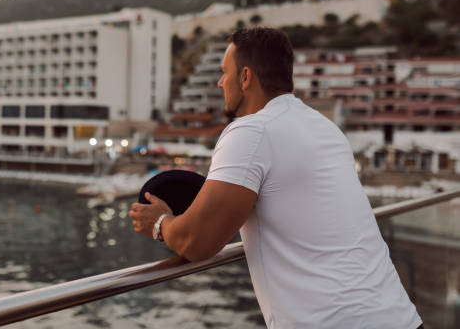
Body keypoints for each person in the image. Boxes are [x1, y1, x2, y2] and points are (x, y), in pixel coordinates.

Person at [129, 28, 422, 328]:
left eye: (223, 73)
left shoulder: (251, 132)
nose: (219, 82)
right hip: (400, 316)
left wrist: (159, 223)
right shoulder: (325, 128)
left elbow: (198, 242)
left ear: (245, 77)